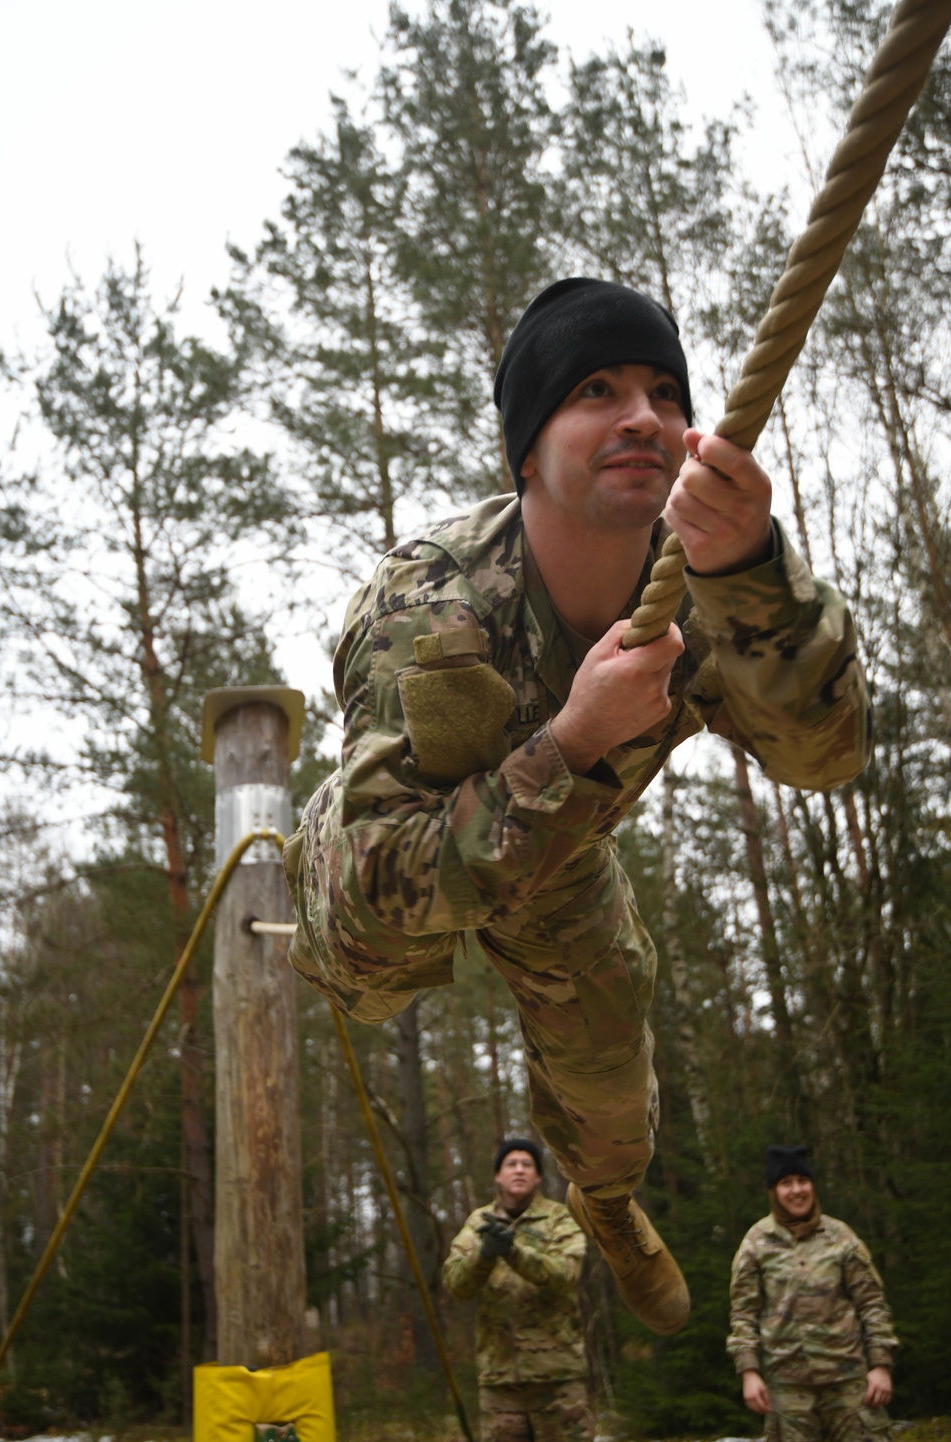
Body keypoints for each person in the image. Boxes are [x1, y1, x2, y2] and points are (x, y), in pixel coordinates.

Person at [284, 278, 871, 1337]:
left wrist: (751, 570)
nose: (641, 415)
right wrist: (574, 738)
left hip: (557, 857)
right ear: (526, 447)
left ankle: (602, 1204)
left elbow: (822, 757)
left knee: (613, 1102)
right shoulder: (432, 601)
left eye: (662, 392)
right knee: (371, 976)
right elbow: (389, 876)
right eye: (595, 390)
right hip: (389, 854)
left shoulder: (704, 586)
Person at [728, 1145, 898, 1442]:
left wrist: (880, 1364)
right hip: (788, 1391)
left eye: (803, 1180)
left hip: (850, 1385)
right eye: (786, 1182)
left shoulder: (841, 1238)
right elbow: (743, 1313)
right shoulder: (755, 1245)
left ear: (813, 1186)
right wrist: (749, 1372)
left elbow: (872, 1303)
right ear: (774, 1191)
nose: (797, 1190)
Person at [443, 1137, 599, 1442]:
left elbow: (566, 1274)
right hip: (501, 1383)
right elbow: (455, 1285)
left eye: (527, 1164)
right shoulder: (478, 1223)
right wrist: (484, 1254)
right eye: (510, 1164)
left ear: (539, 1177)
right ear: (498, 1176)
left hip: (558, 1379)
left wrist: (513, 1250)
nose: (519, 1170)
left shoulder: (560, 1219)